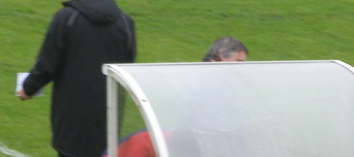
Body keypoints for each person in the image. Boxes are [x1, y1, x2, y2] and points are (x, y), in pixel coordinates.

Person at [17, 0, 136, 157]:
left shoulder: (66, 18)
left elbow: (48, 63)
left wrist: (28, 88)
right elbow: (128, 68)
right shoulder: (125, 22)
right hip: (108, 115)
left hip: (71, 115)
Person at [105, 37, 248, 157]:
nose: (240, 69)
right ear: (221, 56)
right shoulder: (205, 84)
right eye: (238, 62)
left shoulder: (219, 83)